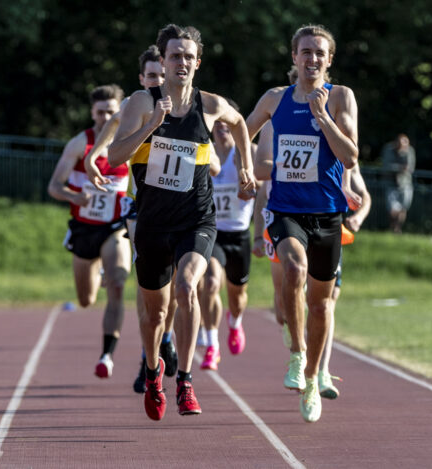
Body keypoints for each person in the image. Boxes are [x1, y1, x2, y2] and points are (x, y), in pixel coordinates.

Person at [108, 24, 256, 421]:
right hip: (154, 224)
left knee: (188, 286)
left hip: (197, 219)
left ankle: (186, 381)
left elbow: (240, 123)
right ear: (163, 59)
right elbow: (115, 158)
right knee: (154, 314)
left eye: (189, 57)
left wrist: (245, 167)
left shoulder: (209, 105)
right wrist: (151, 126)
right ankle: (154, 371)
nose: (182, 63)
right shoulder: (141, 102)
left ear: (198, 62)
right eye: (175, 56)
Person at [246, 24, 358, 422]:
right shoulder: (276, 99)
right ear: (294, 57)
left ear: (329, 60)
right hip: (285, 210)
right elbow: (245, 130)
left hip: (327, 212)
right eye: (305, 51)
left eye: (319, 53)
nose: (312, 58)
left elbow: (350, 157)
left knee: (321, 302)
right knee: (293, 267)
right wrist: (245, 167)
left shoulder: (342, 97)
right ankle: (297, 354)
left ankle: (312, 379)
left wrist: (322, 118)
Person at [84, 45, 180, 394]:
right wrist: (94, 155)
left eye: (162, 74)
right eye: (151, 76)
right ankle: (147, 359)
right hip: (142, 206)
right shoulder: (137, 104)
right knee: (148, 286)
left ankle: (166, 337)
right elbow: (110, 126)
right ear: (142, 79)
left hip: (180, 207)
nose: (158, 81)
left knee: (178, 287)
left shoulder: (184, 103)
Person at [47, 84, 130, 381]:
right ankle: (96, 272)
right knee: (85, 300)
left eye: (111, 111)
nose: (106, 116)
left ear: (120, 111)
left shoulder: (128, 144)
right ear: (92, 112)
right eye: (100, 112)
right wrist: (74, 196)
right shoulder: (79, 144)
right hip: (84, 229)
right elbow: (54, 186)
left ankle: (107, 354)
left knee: (119, 282)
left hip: (115, 227)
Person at [198, 99, 257, 371]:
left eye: (227, 122)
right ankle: (212, 345)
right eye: (217, 122)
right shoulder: (204, 153)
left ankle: (235, 324)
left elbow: (265, 190)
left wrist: (262, 231)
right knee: (210, 283)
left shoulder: (248, 154)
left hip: (240, 234)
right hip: (213, 233)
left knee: (237, 295)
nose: (222, 127)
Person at [381, 133, 415, 234]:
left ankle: (398, 229)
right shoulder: (388, 150)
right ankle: (393, 228)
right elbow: (387, 166)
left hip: (405, 184)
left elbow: (409, 168)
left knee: (403, 208)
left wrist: (403, 154)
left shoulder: (409, 151)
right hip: (390, 183)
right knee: (392, 208)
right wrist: (399, 168)